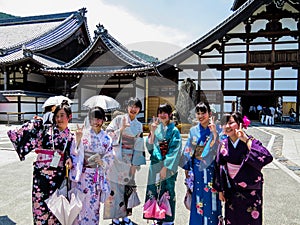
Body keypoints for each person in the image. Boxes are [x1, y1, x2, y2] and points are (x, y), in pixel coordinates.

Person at [7, 100, 75, 225]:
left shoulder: (71, 137)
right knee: (40, 206)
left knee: (56, 208)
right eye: (57, 116)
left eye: (62, 115)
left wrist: (69, 159)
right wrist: (37, 123)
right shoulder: (45, 129)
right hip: (41, 175)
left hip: (58, 177)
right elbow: (30, 134)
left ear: (69, 117)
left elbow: (71, 155)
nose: (59, 119)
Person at [214, 111, 273, 225]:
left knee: (251, 219)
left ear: (240, 123)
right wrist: (220, 189)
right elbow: (219, 166)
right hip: (231, 190)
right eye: (224, 124)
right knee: (233, 219)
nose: (227, 126)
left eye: (231, 123)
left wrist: (245, 140)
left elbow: (266, 156)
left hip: (250, 190)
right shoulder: (223, 144)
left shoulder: (250, 141)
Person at [103, 97, 146, 225]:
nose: (133, 109)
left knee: (128, 188)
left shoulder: (139, 126)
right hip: (116, 160)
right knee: (114, 189)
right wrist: (121, 129)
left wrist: (135, 164)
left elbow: (139, 145)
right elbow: (107, 135)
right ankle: (115, 218)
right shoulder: (118, 120)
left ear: (139, 110)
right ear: (127, 107)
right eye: (131, 106)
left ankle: (126, 217)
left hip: (130, 160)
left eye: (136, 107)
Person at [70, 106, 114, 225]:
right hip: (83, 176)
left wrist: (103, 161)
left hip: (96, 178)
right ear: (89, 120)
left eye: (99, 119)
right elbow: (74, 154)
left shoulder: (106, 139)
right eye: (93, 119)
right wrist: (78, 141)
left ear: (103, 120)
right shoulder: (83, 135)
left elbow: (110, 157)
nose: (96, 122)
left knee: (94, 208)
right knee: (80, 207)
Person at [181, 102, 222, 225]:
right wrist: (187, 173)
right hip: (197, 171)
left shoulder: (217, 129)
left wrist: (215, 134)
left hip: (212, 171)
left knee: (212, 201)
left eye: (203, 113)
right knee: (198, 200)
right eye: (198, 113)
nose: (200, 116)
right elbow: (188, 150)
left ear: (209, 114)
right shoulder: (194, 130)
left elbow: (222, 150)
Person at [144, 103, 182, 225]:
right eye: (160, 113)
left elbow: (174, 150)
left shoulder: (174, 131)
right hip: (155, 166)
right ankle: (156, 216)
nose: (162, 115)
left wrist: (165, 167)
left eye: (165, 112)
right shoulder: (157, 128)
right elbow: (150, 148)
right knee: (154, 191)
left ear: (170, 114)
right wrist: (152, 132)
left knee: (168, 191)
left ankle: (168, 220)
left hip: (167, 167)